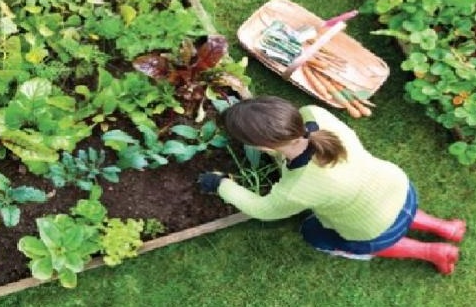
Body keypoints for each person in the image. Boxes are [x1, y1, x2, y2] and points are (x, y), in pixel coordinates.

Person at [198, 96, 466, 274]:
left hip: (372, 228)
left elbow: (263, 209)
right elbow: (292, 143)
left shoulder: (297, 187)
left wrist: (221, 184)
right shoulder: (316, 116)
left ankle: (433, 251)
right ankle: (446, 227)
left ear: (261, 147)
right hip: (400, 188)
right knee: (390, 208)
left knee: (313, 233)